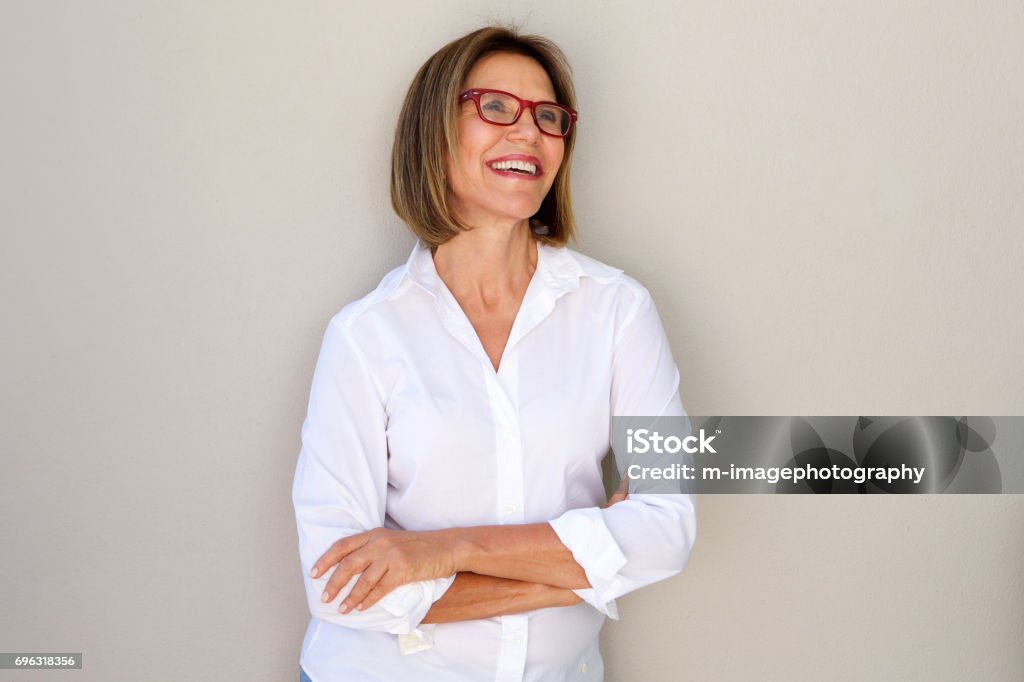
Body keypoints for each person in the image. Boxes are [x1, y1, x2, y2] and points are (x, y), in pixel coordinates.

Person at [292, 25, 696, 682]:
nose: (529, 133)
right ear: (435, 133)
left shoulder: (620, 310)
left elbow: (670, 526)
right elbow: (339, 588)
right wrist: (583, 571)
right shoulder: (365, 338)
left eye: (549, 117)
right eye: (496, 108)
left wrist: (441, 551)